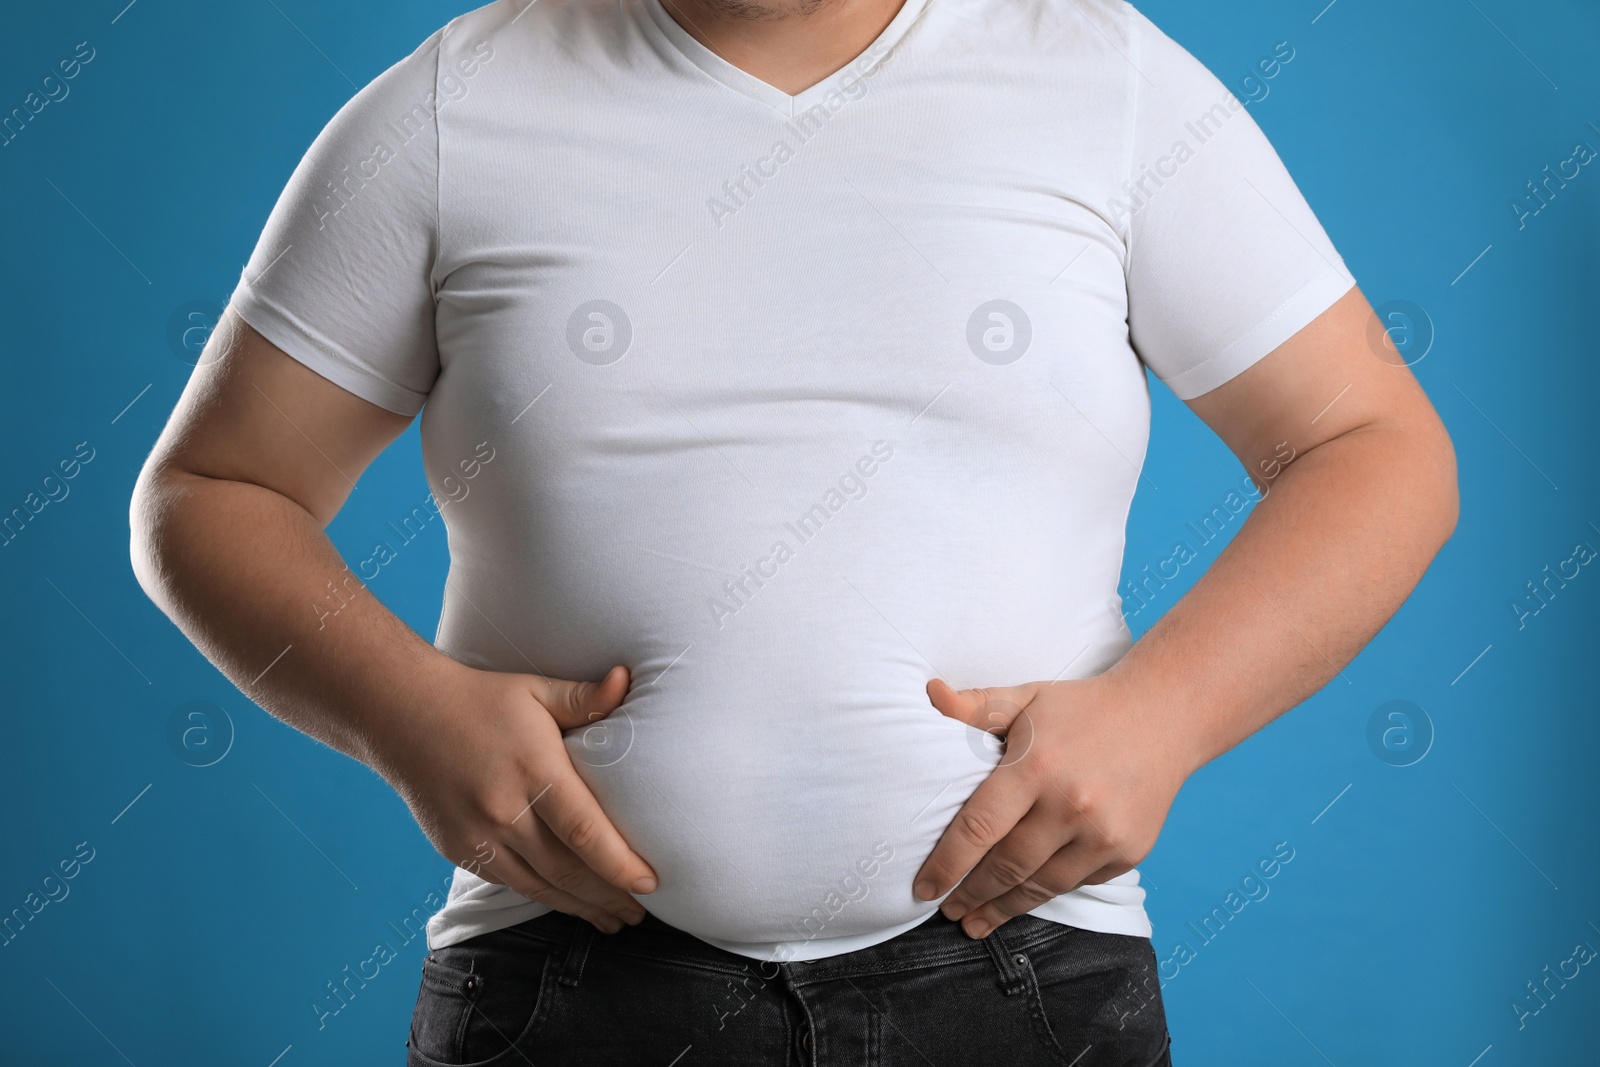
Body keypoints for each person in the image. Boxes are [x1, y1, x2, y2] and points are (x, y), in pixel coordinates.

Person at [129, 0, 1458, 1061]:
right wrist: (404, 714)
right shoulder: (453, 105)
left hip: (1023, 982)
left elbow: (1375, 450)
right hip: (568, 982)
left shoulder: (1106, 84)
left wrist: (1166, 716)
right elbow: (215, 494)